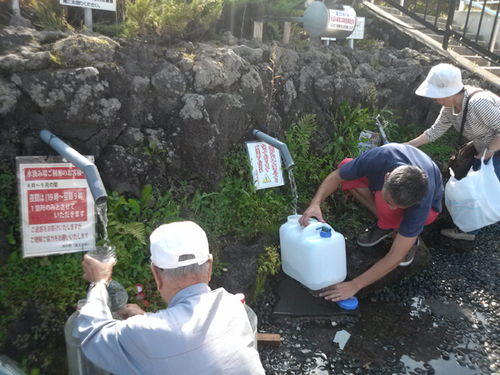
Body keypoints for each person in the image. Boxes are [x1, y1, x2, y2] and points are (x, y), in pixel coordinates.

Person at [78, 221, 265, 375]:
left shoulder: (146, 332)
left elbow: (93, 335)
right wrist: (147, 320)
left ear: (156, 275)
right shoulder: (232, 305)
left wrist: (99, 282)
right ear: (209, 266)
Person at [299, 143, 443, 302]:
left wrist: (354, 285)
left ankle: (403, 233)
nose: (393, 208)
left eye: (399, 207)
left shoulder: (421, 201)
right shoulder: (376, 159)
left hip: (431, 211)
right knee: (346, 165)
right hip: (390, 168)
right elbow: (337, 175)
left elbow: (396, 256)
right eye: (390, 201)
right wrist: (315, 204)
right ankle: (388, 225)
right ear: (387, 177)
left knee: (388, 209)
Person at [407, 63, 500, 241]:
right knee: (477, 186)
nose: (433, 98)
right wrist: (408, 145)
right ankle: (472, 226)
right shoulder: (450, 108)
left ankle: (469, 230)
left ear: (448, 92)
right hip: (485, 150)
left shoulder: (478, 103)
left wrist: (488, 152)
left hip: (494, 150)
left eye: (435, 94)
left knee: (479, 189)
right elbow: (435, 131)